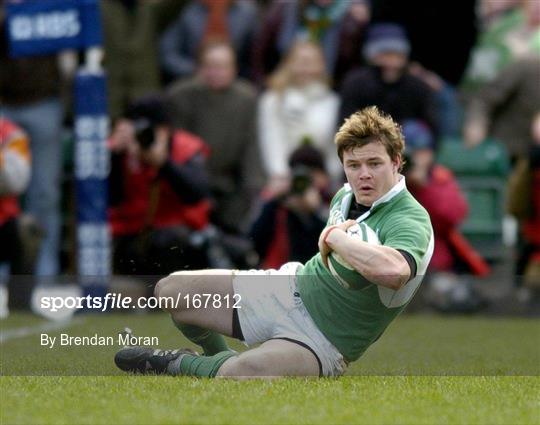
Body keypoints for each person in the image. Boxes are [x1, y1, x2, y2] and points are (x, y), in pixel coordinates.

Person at [114, 106, 434, 378]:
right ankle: (215, 356)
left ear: (396, 161)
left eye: (374, 163)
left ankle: (178, 364)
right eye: (353, 165)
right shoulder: (344, 195)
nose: (363, 174)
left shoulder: (409, 218)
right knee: (170, 291)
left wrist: (335, 236)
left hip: (325, 341)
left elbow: (394, 272)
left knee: (241, 374)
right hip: (288, 287)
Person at [166, 41, 264, 235]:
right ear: (200, 68)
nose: (216, 72)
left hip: (230, 183)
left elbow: (251, 146)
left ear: (234, 69)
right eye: (211, 66)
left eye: (223, 67)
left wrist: (254, 187)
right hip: (192, 182)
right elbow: (177, 145)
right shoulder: (180, 96)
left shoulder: (246, 98)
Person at [108, 96, 211, 276]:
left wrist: (164, 163)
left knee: (172, 241)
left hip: (173, 232)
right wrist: (115, 156)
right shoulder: (119, 150)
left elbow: (196, 194)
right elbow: (110, 198)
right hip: (129, 230)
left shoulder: (185, 146)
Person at [257, 40, 341, 188]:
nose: (305, 68)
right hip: (282, 181)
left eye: (311, 62)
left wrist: (328, 174)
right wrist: (281, 174)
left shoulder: (333, 102)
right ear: (288, 64)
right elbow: (272, 140)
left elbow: (335, 146)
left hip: (322, 182)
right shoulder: (273, 100)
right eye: (301, 62)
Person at [339, 23, 439, 140]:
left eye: (398, 55)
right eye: (386, 54)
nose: (392, 62)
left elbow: (432, 127)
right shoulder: (356, 82)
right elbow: (345, 122)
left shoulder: (418, 87)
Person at [250, 144, 330, 269]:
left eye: (311, 174)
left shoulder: (334, 202)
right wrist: (273, 200)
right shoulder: (279, 204)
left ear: (323, 176)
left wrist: (316, 212)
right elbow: (253, 241)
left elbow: (329, 247)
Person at [159, 0, 258, 82]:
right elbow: (168, 54)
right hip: (190, 79)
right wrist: (195, 71)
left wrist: (232, 73)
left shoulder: (247, 13)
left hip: (235, 81)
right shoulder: (185, 10)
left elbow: (255, 57)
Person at [0, 118, 35, 310]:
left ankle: (20, 306)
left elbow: (17, 182)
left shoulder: (12, 134)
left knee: (28, 228)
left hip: (3, 223)